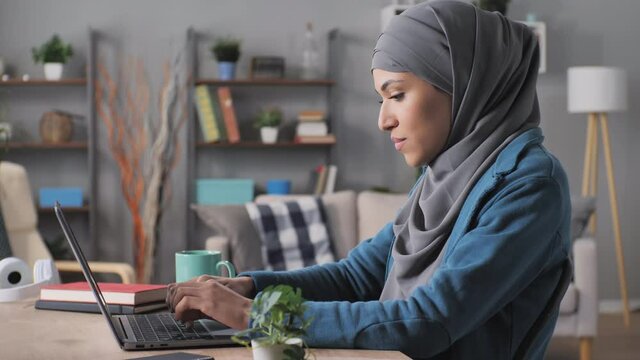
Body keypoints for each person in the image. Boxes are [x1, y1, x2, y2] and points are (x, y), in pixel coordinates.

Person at [167, 1, 571, 358]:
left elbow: (429, 322)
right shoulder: (443, 179)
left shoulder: (530, 186)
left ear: (461, 83)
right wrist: (249, 287)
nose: (383, 120)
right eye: (382, 99)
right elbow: (356, 276)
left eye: (396, 94)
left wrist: (249, 314)